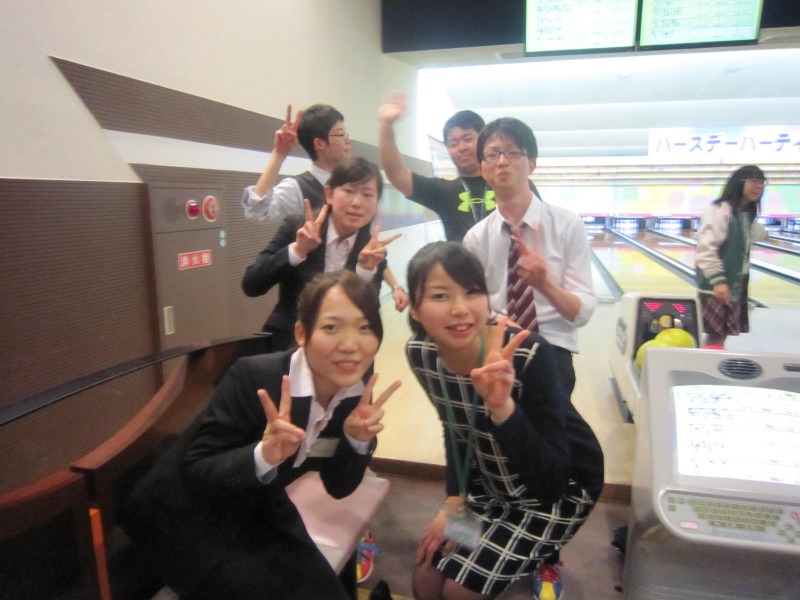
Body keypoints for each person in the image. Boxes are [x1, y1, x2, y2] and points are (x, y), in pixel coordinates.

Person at [121, 269, 401, 599]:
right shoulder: (256, 378)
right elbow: (195, 469)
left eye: (365, 327)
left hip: (260, 502)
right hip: (183, 517)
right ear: (302, 333)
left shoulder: (352, 389)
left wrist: (356, 440)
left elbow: (339, 486)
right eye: (331, 327)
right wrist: (262, 456)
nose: (351, 345)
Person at [404, 242, 604, 600]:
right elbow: (454, 428)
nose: (460, 309)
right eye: (440, 296)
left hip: (559, 491)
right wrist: (455, 501)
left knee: (459, 593)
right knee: (426, 577)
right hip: (488, 487)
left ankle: (541, 558)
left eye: (472, 292)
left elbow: (551, 484)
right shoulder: (422, 354)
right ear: (415, 310)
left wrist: (503, 408)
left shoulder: (529, 354)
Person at [462, 117, 596, 397]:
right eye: (492, 154)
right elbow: (473, 306)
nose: (502, 162)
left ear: (531, 163)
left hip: (553, 349)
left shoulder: (568, 225)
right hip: (497, 346)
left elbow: (581, 314)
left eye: (512, 152)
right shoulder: (475, 238)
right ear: (482, 168)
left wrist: (544, 284)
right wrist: (497, 324)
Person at [244, 103, 408, 311]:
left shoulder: (361, 190)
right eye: (340, 134)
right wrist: (279, 155)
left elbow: (369, 250)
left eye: (367, 194)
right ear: (320, 143)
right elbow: (257, 210)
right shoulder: (298, 188)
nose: (356, 202)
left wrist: (394, 285)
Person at [242, 157, 399, 351]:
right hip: (288, 347)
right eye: (349, 191)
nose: (357, 202)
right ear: (329, 194)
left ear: (376, 203)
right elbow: (252, 285)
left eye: (367, 194)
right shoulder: (297, 227)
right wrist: (297, 251)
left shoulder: (372, 250)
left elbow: (368, 316)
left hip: (343, 351)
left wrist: (364, 271)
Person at [378, 93, 542, 243]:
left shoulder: (512, 183)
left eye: (468, 139)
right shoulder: (443, 191)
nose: (462, 147)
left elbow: (540, 226)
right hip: (461, 265)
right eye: (454, 143)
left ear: (483, 141)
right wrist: (386, 125)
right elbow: (397, 174)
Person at [695, 165, 768, 348]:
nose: (759, 186)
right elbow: (706, 248)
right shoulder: (720, 209)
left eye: (762, 182)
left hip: (735, 283)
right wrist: (718, 281)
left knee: (721, 333)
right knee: (716, 333)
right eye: (753, 181)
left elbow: (755, 233)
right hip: (718, 283)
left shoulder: (744, 214)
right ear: (738, 183)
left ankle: (711, 361)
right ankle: (707, 362)